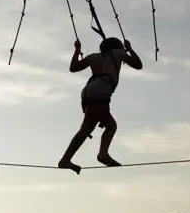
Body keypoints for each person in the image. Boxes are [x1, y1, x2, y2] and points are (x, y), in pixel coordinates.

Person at [58, 37, 143, 175]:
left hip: (88, 90)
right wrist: (130, 48)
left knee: (100, 126)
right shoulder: (118, 53)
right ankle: (101, 155)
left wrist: (77, 51)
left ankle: (69, 159)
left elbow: (73, 68)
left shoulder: (93, 56)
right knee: (97, 128)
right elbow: (138, 65)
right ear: (119, 47)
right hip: (101, 90)